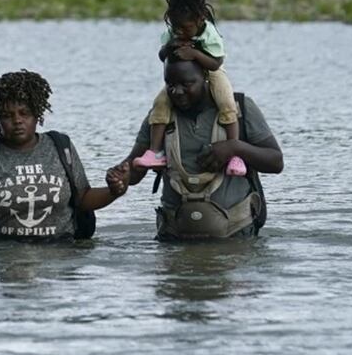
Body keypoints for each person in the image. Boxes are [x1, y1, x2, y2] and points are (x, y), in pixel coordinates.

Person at [106, 56, 284, 240]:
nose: (177, 92)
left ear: (206, 78)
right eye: (170, 84)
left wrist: (234, 147)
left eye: (187, 83)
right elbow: (136, 170)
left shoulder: (240, 109)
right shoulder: (159, 118)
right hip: (173, 238)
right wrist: (120, 177)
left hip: (236, 237)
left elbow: (276, 162)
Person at [0, 70, 128, 240]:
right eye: (8, 115)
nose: (17, 120)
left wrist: (114, 191)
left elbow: (84, 199)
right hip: (3, 254)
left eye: (25, 113)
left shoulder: (61, 147)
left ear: (37, 114)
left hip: (61, 253)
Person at [133, 0, 247, 176]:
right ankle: (155, 152)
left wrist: (194, 54)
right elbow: (162, 55)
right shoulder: (175, 31)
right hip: (182, 78)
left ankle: (235, 153)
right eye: (176, 28)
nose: (180, 33)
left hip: (211, 72)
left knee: (227, 103)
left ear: (199, 20)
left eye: (185, 29)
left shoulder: (210, 33)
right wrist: (170, 46)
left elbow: (216, 62)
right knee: (160, 104)